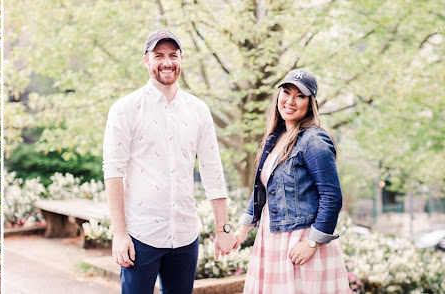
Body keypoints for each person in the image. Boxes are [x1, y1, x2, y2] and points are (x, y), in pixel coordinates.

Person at [102, 29, 235, 294]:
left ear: (181, 59)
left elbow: (212, 171)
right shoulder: (125, 109)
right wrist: (119, 234)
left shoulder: (198, 110)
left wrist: (223, 228)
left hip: (186, 235)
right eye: (158, 55)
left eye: (173, 55)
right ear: (146, 60)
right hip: (141, 236)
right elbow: (113, 173)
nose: (167, 62)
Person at [233, 69, 350, 293]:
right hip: (272, 238)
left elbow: (331, 196)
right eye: (286, 92)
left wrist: (313, 242)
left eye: (300, 96)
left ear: (310, 102)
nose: (290, 101)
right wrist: (243, 230)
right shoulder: (274, 139)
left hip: (301, 241)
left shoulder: (314, 140)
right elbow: (263, 191)